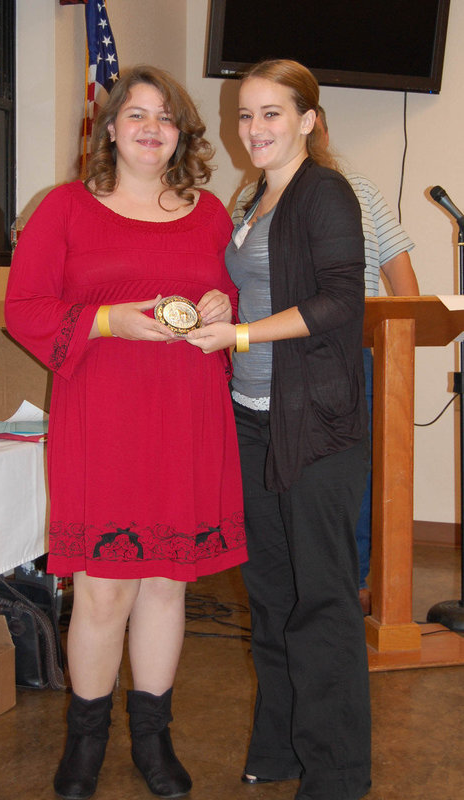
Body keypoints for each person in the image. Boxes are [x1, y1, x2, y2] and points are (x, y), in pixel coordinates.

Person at [5, 65, 247, 800]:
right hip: (104, 414)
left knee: (167, 586)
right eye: (136, 115)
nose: (151, 127)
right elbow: (26, 308)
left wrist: (215, 302)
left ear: (181, 134)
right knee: (104, 590)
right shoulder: (67, 209)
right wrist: (109, 319)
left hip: (186, 413)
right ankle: (85, 744)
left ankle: (153, 740)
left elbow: (227, 296)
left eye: (165, 117)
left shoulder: (208, 213)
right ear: (111, 128)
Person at [187, 60, 371, 800]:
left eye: (271, 114)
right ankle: (282, 747)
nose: (254, 128)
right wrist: (216, 298)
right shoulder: (257, 195)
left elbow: (337, 302)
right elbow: (257, 280)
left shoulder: (324, 192)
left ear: (307, 120)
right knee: (269, 592)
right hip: (254, 421)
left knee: (321, 599)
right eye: (244, 114)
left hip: (316, 426)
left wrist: (241, 336)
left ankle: (337, 773)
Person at [315, 105, 419, 613]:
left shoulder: (362, 188)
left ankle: (352, 587)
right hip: (273, 362)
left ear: (322, 128)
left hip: (353, 357)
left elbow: (405, 288)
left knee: (354, 477)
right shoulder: (252, 196)